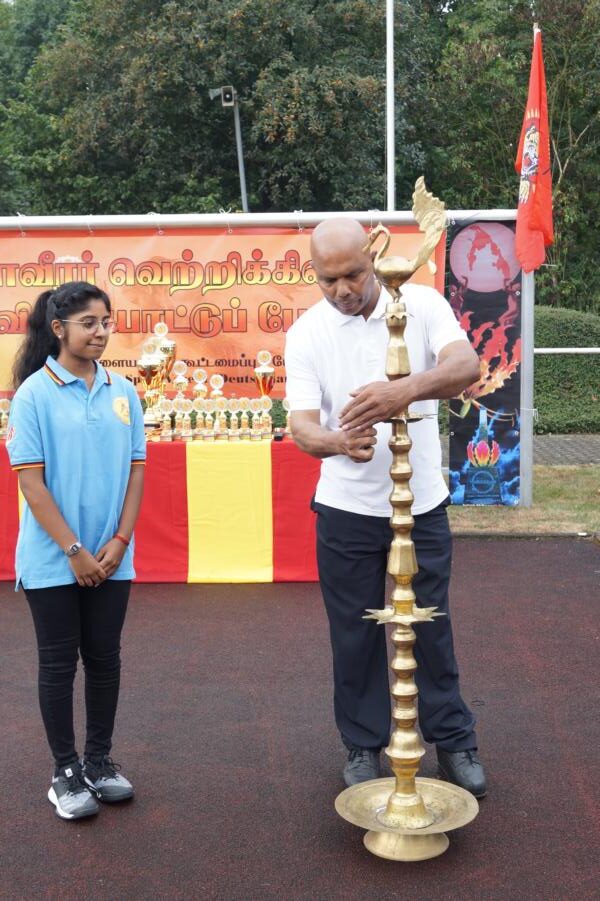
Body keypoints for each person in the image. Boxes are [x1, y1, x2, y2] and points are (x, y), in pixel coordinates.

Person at [284, 219, 487, 797]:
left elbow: (466, 366)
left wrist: (402, 391)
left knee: (431, 626)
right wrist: (336, 442)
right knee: (354, 634)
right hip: (345, 508)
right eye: (329, 280)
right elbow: (301, 426)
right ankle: (362, 744)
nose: (343, 289)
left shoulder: (420, 304)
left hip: (422, 505)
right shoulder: (307, 332)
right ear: (314, 275)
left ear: (372, 258)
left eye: (353, 274)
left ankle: (454, 741)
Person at [6, 281, 146, 820]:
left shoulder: (123, 391)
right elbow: (32, 484)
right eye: (89, 323)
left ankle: (100, 761)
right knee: (59, 662)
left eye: (106, 322)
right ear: (58, 328)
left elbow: (136, 471)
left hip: (112, 557)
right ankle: (64, 771)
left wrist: (120, 541)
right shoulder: (33, 394)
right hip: (53, 559)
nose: (101, 332)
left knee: (105, 659)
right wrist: (73, 550)